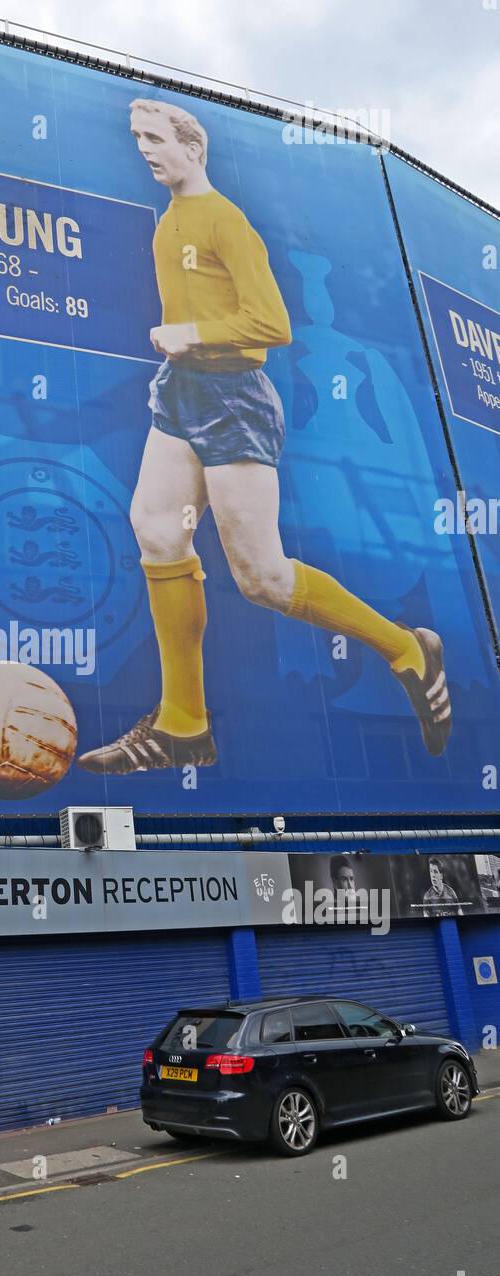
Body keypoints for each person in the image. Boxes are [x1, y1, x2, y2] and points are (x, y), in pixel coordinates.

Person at [78, 99, 451, 775]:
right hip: (181, 391)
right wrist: (181, 350)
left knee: (262, 579)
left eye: (157, 139)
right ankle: (182, 724)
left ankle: (407, 648)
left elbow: (273, 324)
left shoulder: (225, 221)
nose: (146, 151)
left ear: (194, 147)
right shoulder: (170, 222)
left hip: (232, 400)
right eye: (138, 140)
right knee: (158, 530)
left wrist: (192, 335)